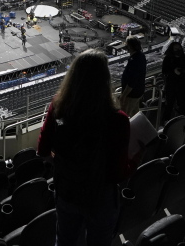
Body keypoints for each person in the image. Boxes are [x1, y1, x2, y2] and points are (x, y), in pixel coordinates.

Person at [37, 49, 132, 246]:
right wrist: (138, 159)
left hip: (68, 191)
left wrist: (65, 164)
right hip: (102, 197)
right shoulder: (119, 120)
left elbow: (43, 150)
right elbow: (118, 173)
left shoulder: (58, 107)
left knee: (65, 241)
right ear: (105, 79)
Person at [160, 42, 185, 121]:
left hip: (183, 86)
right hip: (171, 86)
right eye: (176, 49)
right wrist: (173, 71)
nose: (178, 50)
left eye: (179, 48)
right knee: (169, 105)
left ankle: (182, 121)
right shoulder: (168, 59)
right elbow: (164, 71)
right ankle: (165, 122)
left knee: (182, 105)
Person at [119, 36, 146, 117]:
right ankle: (137, 128)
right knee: (135, 114)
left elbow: (132, 82)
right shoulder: (140, 55)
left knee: (125, 115)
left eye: (126, 44)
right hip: (137, 92)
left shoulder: (135, 60)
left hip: (131, 94)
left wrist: (123, 96)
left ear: (130, 47)